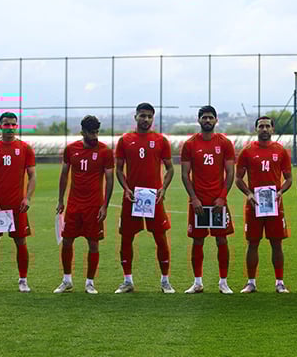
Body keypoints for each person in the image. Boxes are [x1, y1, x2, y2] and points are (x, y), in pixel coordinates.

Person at [114, 103, 175, 294]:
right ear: (136, 117)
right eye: (142, 115)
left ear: (153, 118)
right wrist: (126, 188)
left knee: (160, 237)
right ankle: (127, 281)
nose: (146, 119)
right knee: (127, 237)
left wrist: (163, 188)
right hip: (132, 197)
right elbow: (118, 169)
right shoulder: (125, 140)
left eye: (149, 116)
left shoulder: (160, 140)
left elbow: (170, 168)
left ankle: (165, 281)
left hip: (153, 197)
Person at [54, 115, 114, 294]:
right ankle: (67, 280)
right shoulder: (71, 149)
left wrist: (105, 205)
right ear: (83, 132)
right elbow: (64, 175)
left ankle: (90, 282)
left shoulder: (105, 151)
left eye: (96, 132)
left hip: (94, 206)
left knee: (93, 244)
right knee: (67, 242)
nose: (95, 136)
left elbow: (110, 180)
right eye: (91, 132)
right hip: (73, 205)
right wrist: (60, 200)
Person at [0, 112, 37, 293]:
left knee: (20, 241)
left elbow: (33, 175)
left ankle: (23, 280)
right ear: (0, 126)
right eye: (6, 124)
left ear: (16, 126)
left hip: (18, 205)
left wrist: (27, 197)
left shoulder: (25, 148)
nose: (10, 128)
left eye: (13, 124)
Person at [181, 105, 236, 294]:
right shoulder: (189, 144)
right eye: (204, 117)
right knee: (198, 241)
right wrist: (194, 198)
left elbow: (230, 173)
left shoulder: (225, 143)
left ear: (216, 120)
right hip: (199, 203)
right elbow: (185, 174)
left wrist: (222, 197)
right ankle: (197, 282)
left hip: (217, 202)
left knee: (221, 240)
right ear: (198, 120)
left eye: (210, 117)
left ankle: (223, 282)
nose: (207, 120)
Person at [236, 116, 293, 293]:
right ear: (256, 129)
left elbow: (289, 178)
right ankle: (251, 282)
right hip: (254, 204)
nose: (264, 129)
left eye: (268, 126)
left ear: (273, 129)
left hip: (274, 204)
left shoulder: (281, 151)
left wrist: (281, 192)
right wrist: (249, 193)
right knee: (253, 243)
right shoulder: (247, 151)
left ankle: (279, 282)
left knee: (277, 243)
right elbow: (238, 179)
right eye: (261, 126)